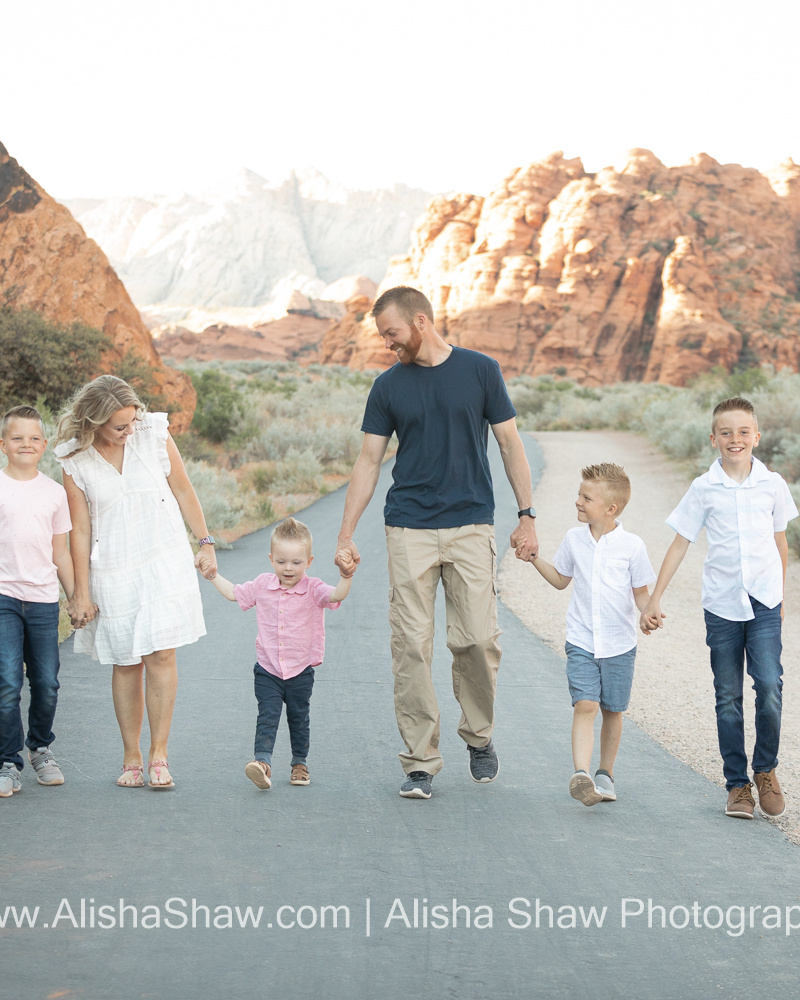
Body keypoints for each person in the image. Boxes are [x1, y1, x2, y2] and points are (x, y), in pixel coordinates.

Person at [335, 285, 538, 800]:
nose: (388, 344)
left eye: (392, 333)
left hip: (472, 523)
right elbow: (368, 461)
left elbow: (509, 442)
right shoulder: (387, 387)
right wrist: (345, 532)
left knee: (476, 640)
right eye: (384, 336)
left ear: (421, 321)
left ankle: (478, 736)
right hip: (408, 528)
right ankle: (420, 760)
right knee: (411, 646)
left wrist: (527, 516)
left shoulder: (480, 370)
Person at [55, 375, 216, 790]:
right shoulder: (74, 460)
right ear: (94, 423)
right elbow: (79, 529)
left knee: (162, 654)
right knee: (126, 661)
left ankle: (160, 755)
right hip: (113, 567)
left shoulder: (154, 433)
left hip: (163, 559)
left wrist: (206, 542)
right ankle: (132, 757)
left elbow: (182, 489)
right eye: (119, 426)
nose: (129, 431)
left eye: (131, 421)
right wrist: (81, 592)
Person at [641, 397, 798, 820]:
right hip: (723, 606)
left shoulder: (773, 484)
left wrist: (780, 595)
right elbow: (680, 543)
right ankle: (737, 785)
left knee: (769, 686)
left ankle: (765, 769)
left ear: (757, 437)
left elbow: (780, 541)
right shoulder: (703, 487)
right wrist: (655, 597)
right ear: (714, 439)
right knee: (727, 696)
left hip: (765, 601)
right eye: (726, 432)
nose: (735, 439)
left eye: (743, 432)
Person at [525, 463, 655, 805]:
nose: (578, 502)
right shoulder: (573, 539)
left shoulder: (632, 546)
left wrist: (648, 611)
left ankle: (605, 774)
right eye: (579, 495)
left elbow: (641, 593)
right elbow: (560, 580)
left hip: (619, 644)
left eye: (586, 497)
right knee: (585, 704)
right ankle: (581, 774)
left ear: (610, 509)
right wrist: (534, 559)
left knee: (612, 709)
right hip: (581, 640)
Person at [200, 518, 353, 789]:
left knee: (298, 717)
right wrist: (213, 576)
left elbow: (337, 595)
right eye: (281, 561)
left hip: (300, 671)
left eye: (296, 562)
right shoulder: (262, 585)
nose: (288, 568)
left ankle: (299, 764)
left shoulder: (314, 589)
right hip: (268, 669)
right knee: (267, 714)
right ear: (271, 559)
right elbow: (234, 594)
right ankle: (262, 762)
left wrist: (346, 575)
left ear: (309, 560)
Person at [0, 406, 79, 797]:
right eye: (17, 438)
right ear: (3, 445)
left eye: (33, 438)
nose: (26, 444)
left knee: (47, 683)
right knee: (7, 682)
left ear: (44, 445)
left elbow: (61, 552)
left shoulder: (54, 493)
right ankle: (9, 761)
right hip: (4, 598)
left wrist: (76, 596)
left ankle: (40, 747)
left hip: (45, 600)